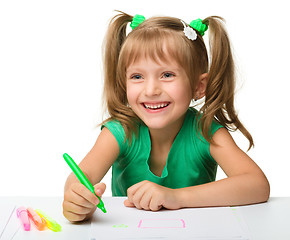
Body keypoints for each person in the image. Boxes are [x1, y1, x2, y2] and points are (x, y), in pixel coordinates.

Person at [63, 11, 270, 222]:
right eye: (137, 76)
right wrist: (77, 200)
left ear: (199, 86)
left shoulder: (206, 132)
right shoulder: (120, 131)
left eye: (167, 75)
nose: (151, 90)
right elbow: (80, 179)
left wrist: (175, 197)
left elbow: (257, 185)